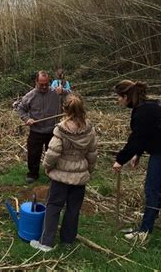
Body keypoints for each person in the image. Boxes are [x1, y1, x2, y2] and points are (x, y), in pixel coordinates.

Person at [112, 80, 161, 241]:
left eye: (118, 97)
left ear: (126, 96)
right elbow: (145, 135)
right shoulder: (145, 107)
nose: (118, 100)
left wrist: (120, 160)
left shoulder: (143, 111)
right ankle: (153, 214)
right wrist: (138, 154)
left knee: (151, 187)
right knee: (155, 184)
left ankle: (145, 230)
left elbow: (136, 140)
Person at [30, 94, 97, 252]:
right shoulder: (89, 129)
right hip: (80, 177)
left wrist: (47, 167)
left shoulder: (61, 129)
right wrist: (89, 170)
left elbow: (52, 153)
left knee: (53, 207)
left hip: (60, 176)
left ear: (64, 109)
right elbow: (92, 154)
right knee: (73, 209)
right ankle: (67, 240)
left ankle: (46, 242)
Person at [16, 70, 69, 183]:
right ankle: (33, 174)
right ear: (36, 82)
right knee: (33, 154)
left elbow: (73, 99)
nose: (44, 86)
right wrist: (27, 119)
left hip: (53, 130)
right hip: (36, 130)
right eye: (41, 84)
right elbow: (20, 109)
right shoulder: (30, 96)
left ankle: (53, 175)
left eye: (46, 84)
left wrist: (64, 92)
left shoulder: (56, 93)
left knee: (54, 155)